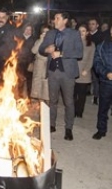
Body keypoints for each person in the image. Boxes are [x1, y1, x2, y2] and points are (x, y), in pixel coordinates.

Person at [39, 12, 83, 141]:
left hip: (67, 73)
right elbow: (41, 49)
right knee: (52, 101)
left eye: (57, 18)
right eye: (54, 18)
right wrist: (47, 50)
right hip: (53, 72)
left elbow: (79, 53)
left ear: (65, 20)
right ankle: (51, 125)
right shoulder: (50, 33)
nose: (54, 20)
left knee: (68, 102)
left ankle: (68, 128)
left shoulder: (74, 34)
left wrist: (61, 53)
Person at [74, 24, 94, 118]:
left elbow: (91, 59)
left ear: (87, 33)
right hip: (73, 72)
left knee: (81, 95)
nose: (81, 33)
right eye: (79, 30)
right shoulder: (73, 42)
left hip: (84, 73)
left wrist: (86, 69)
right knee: (72, 94)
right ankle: (72, 111)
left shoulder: (91, 44)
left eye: (83, 31)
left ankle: (79, 111)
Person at [30, 26, 50, 103]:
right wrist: (41, 40)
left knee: (46, 83)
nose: (46, 34)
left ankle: (45, 101)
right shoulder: (38, 41)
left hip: (47, 64)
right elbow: (33, 51)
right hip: (39, 64)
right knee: (37, 81)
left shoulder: (52, 42)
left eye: (47, 32)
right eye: (44, 32)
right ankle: (36, 99)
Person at [16, 24, 36, 97]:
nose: (28, 31)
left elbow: (34, 53)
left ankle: (29, 97)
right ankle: (20, 95)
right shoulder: (19, 39)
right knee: (20, 80)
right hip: (20, 62)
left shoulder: (34, 40)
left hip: (29, 63)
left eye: (29, 30)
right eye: (26, 29)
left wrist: (32, 62)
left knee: (29, 81)